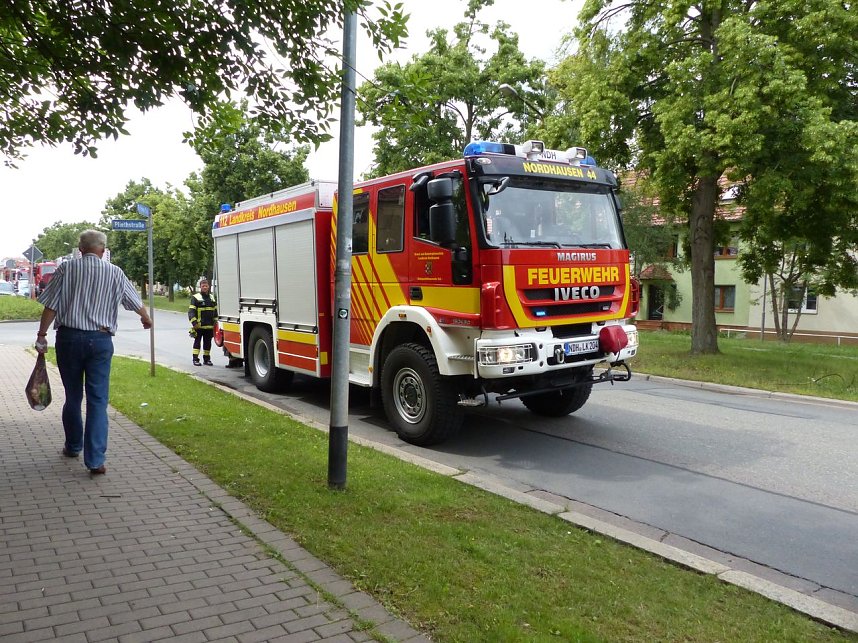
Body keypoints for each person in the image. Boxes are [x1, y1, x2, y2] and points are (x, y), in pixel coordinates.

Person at [35, 229, 152, 475]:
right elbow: (134, 301)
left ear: (80, 249)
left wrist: (42, 334)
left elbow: (51, 306)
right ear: (103, 250)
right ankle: (95, 461)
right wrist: (146, 318)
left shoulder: (66, 269)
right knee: (98, 401)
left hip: (69, 339)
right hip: (100, 341)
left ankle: (73, 446)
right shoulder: (115, 272)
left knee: (73, 396)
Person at [188, 277, 217, 366]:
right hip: (199, 326)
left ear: (208, 286)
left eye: (206, 286)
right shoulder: (195, 297)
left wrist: (216, 323)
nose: (205, 287)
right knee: (197, 343)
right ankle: (195, 359)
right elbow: (191, 311)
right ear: (200, 287)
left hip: (209, 326)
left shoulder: (212, 298)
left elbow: (215, 311)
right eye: (203, 286)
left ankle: (206, 359)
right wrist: (194, 323)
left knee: (208, 343)